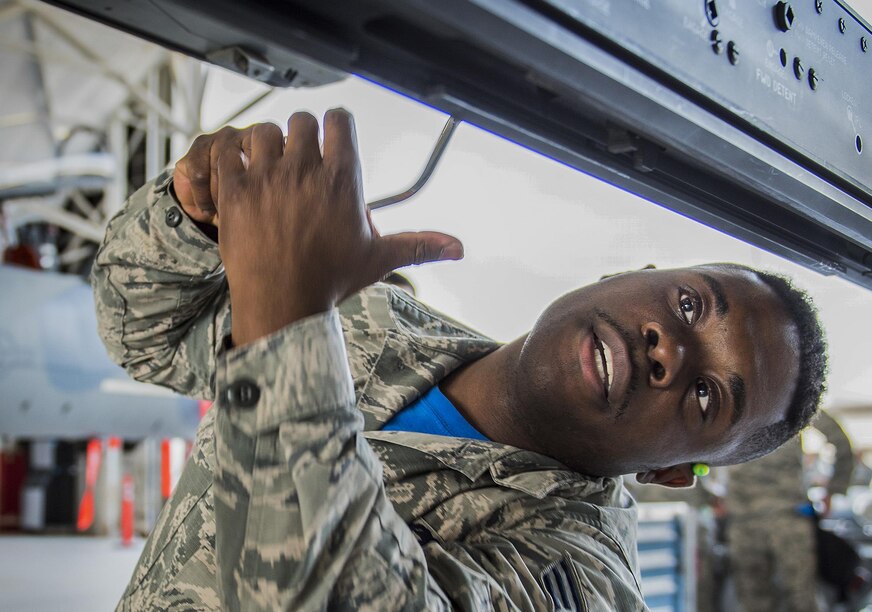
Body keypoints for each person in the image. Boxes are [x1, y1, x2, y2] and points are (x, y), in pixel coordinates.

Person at [91, 110, 828, 610]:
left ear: (669, 474)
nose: (669, 347)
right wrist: (190, 214)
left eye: (705, 396)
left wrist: (285, 313)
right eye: (691, 305)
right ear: (622, 278)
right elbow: (142, 335)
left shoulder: (582, 577)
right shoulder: (370, 314)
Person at [725, 411, 854, 611]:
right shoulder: (731, 396)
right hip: (745, 518)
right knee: (753, 597)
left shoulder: (790, 396)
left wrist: (834, 489)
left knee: (799, 596)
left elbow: (840, 441)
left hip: (785, 516)